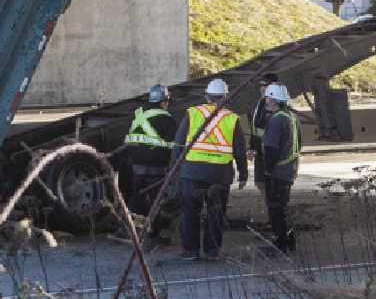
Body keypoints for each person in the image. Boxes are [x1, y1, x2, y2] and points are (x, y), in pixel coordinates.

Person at [176, 78, 249, 262]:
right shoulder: (232, 119)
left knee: (190, 212)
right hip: (219, 174)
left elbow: (178, 144)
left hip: (192, 172)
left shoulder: (192, 113)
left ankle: (190, 251)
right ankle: (212, 251)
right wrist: (243, 174)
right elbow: (240, 150)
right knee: (215, 212)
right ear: (226, 97)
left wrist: (173, 169)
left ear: (206, 96)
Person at [120, 84, 175, 220]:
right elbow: (174, 146)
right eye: (167, 101)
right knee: (155, 200)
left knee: (136, 196)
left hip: (136, 165)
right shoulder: (167, 119)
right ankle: (153, 231)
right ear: (164, 102)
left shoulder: (138, 115)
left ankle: (133, 229)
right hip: (156, 167)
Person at [258, 82, 302, 252]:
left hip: (277, 171)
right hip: (289, 169)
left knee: (275, 208)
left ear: (273, 100)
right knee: (282, 206)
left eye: (268, 97)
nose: (266, 100)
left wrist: (267, 170)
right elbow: (299, 144)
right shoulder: (292, 117)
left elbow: (271, 148)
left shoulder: (276, 120)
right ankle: (288, 239)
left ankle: (281, 243)